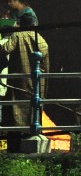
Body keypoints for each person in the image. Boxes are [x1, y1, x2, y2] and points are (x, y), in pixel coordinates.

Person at [0, 13, 50, 148]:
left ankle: (15, 148)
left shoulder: (18, 35)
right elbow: (46, 68)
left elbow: (5, 49)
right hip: (36, 86)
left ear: (21, 24)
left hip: (19, 83)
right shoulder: (42, 40)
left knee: (16, 116)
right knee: (33, 115)